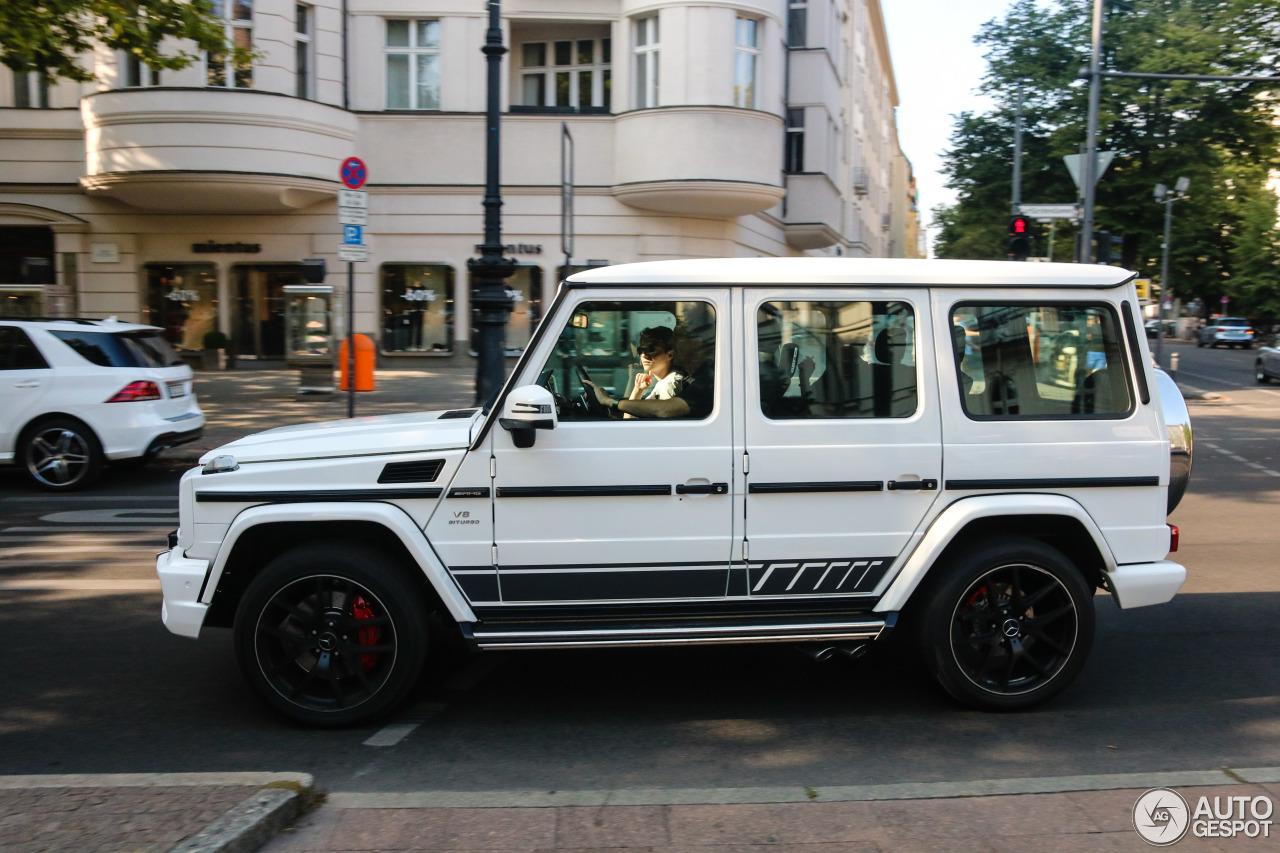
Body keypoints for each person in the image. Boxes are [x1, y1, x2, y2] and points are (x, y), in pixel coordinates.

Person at [585, 323, 712, 419]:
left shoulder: (670, 383)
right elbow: (629, 418)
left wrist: (608, 401)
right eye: (641, 350)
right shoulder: (663, 382)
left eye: (650, 350)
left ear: (670, 355)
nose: (644, 355)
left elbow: (656, 417)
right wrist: (638, 389)